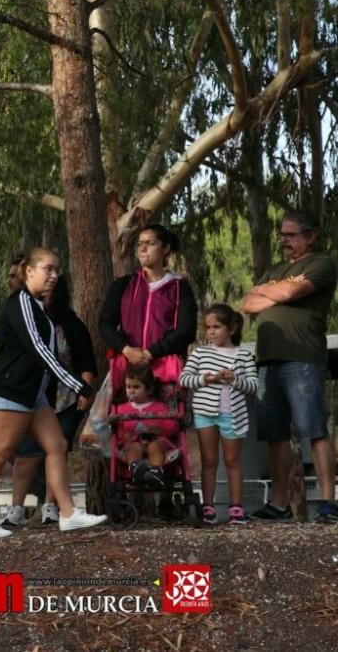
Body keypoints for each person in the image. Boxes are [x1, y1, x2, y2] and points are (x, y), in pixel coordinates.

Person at [0, 248, 107, 539]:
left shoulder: (37, 306)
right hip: (11, 390)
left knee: (56, 444)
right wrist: (76, 383)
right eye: (47, 269)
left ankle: (68, 514)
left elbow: (44, 354)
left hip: (34, 393)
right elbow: (41, 351)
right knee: (0, 451)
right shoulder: (21, 302)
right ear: (29, 271)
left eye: (57, 270)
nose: (54, 275)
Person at [241, 211, 338, 523]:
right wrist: (276, 292)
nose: (284, 240)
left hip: (302, 357)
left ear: (310, 236)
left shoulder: (321, 263)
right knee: (275, 435)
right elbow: (248, 303)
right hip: (267, 361)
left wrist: (272, 292)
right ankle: (279, 504)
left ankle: (328, 503)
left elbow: (291, 292)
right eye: (282, 234)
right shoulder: (277, 269)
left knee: (315, 430)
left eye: (291, 234)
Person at [100, 224, 197, 518]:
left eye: (150, 243)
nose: (142, 249)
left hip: (163, 367)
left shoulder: (179, 287)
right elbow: (105, 323)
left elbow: (187, 329)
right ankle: (130, 477)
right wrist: (126, 349)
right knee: (125, 424)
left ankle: (168, 494)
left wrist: (154, 351)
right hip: (129, 367)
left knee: (167, 424)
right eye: (139, 244)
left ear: (165, 249)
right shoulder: (124, 285)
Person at [1, 275, 96, 526]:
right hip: (31, 396)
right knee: (25, 454)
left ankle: (51, 507)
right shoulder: (23, 316)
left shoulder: (71, 324)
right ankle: (16, 509)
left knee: (58, 450)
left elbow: (87, 362)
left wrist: (84, 393)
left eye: (49, 290)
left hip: (65, 398)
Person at [179, 304, 257, 525]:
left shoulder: (243, 355)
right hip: (206, 413)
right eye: (208, 327)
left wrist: (235, 379)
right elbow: (184, 379)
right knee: (209, 460)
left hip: (233, 414)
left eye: (217, 327)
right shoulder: (200, 352)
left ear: (231, 329)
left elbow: (253, 385)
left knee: (232, 460)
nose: (211, 332)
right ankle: (209, 507)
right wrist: (205, 379)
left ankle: (236, 507)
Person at [113, 364, 178, 488]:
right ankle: (135, 469)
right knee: (133, 447)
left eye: (136, 387)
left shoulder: (160, 407)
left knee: (154, 446)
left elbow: (172, 426)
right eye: (128, 387)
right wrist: (123, 436)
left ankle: (156, 471)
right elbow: (119, 429)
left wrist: (161, 429)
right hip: (133, 440)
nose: (131, 391)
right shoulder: (121, 409)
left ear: (148, 389)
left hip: (156, 440)